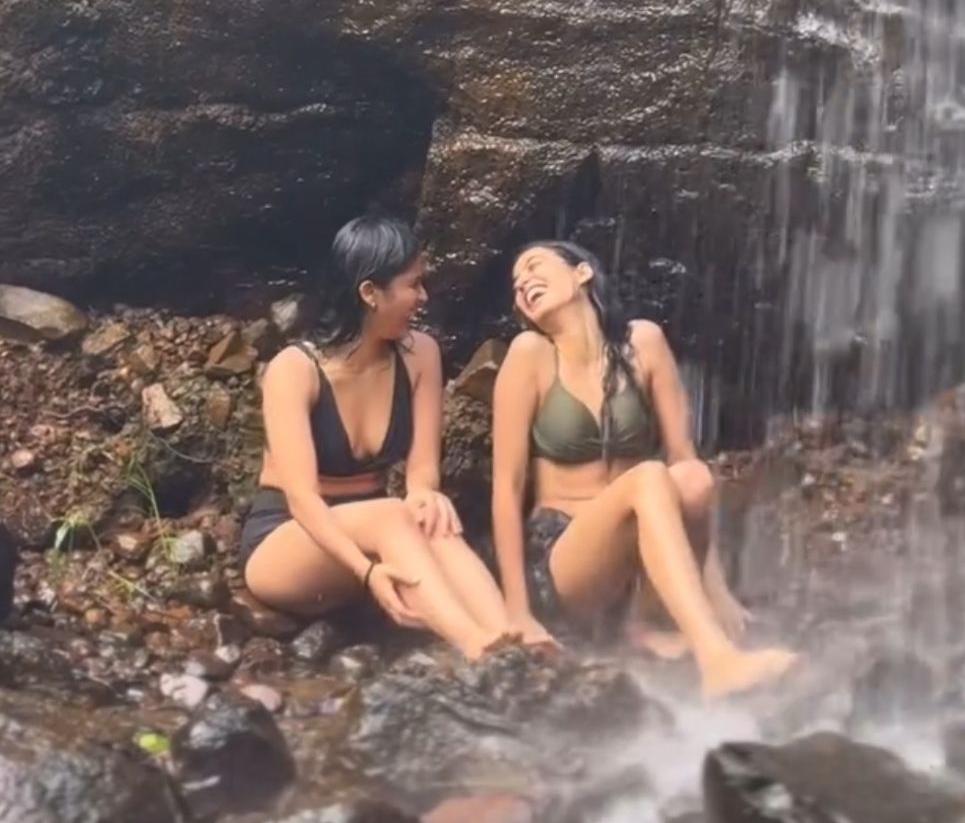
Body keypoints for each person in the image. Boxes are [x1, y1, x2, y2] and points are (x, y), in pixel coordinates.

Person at [491, 240, 797, 697]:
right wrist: (518, 611)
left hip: (638, 558)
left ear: (582, 273)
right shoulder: (529, 353)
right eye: (516, 284)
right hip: (566, 555)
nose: (523, 283)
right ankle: (717, 661)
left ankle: (648, 622)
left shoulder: (645, 342)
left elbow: (683, 456)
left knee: (692, 477)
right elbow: (507, 486)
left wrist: (718, 590)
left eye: (534, 266)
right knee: (649, 477)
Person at [241, 216, 515, 659]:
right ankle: (475, 646)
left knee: (429, 515)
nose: (423, 297)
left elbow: (422, 469)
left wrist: (424, 494)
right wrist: (368, 573)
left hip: (382, 540)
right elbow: (302, 500)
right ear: (370, 293)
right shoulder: (294, 370)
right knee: (392, 514)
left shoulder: (421, 355)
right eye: (414, 284)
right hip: (291, 543)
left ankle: (509, 637)